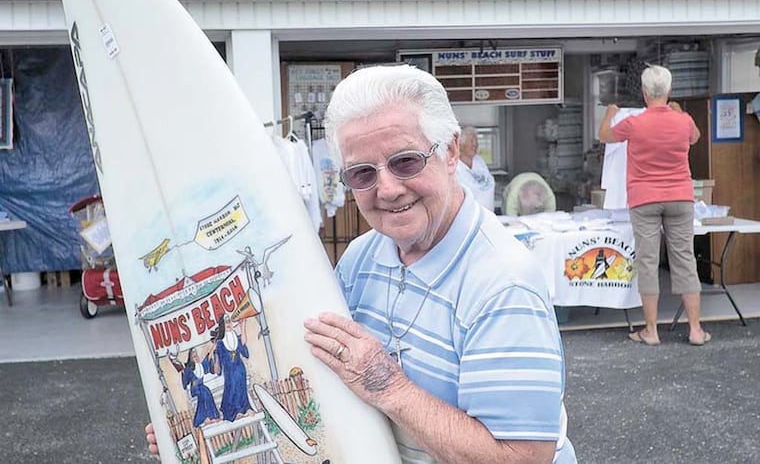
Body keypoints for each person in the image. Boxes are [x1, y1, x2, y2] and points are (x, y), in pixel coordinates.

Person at [148, 64, 575, 463]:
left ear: (449, 152)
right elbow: (321, 365)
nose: (386, 189)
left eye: (405, 161)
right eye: (362, 174)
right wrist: (196, 417)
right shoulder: (361, 256)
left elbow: (521, 455)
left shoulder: (503, 283)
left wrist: (387, 384)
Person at [597, 64, 709, 346]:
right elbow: (695, 137)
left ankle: (651, 330)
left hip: (644, 198)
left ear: (645, 93)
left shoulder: (633, 123)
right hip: (681, 197)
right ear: (669, 91)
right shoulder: (682, 121)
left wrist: (610, 113)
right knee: (684, 258)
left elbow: (604, 136)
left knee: (647, 262)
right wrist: (680, 112)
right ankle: (695, 329)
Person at [213, 314, 253, 420]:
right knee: (233, 382)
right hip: (229, 370)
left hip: (239, 366)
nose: (228, 324)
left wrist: (243, 327)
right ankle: (236, 411)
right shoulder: (220, 342)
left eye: (229, 321)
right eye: (226, 322)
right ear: (222, 325)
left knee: (240, 377)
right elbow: (218, 359)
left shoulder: (234, 335)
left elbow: (243, 345)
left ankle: (245, 408)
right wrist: (216, 364)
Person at [455, 126, 495, 211]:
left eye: (477, 141)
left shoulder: (479, 161)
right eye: (471, 141)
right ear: (460, 145)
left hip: (489, 215)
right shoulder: (455, 166)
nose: (475, 144)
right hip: (469, 218)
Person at [181, 345, 220, 427]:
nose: (196, 358)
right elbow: (185, 381)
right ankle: (209, 417)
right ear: (191, 358)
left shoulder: (201, 366)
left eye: (197, 356)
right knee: (204, 392)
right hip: (195, 389)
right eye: (194, 356)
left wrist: (212, 349)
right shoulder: (189, 369)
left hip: (202, 387)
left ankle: (211, 416)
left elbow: (208, 359)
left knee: (206, 392)